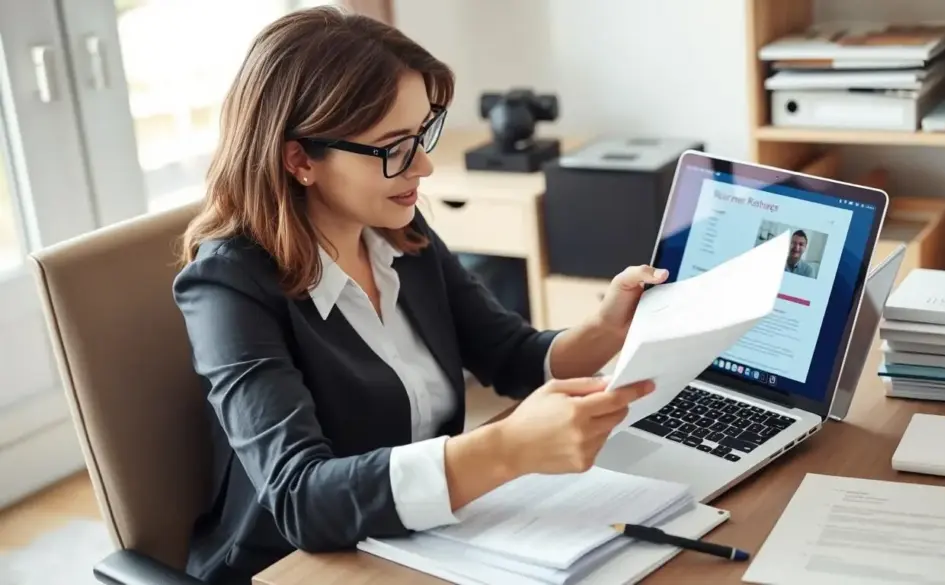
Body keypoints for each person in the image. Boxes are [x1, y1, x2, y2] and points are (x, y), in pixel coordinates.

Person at [171, 7, 667, 584]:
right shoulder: (228, 285)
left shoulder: (400, 233)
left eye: (422, 134)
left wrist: (606, 329)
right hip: (297, 566)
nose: (424, 166)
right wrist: (505, 449)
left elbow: (509, 355)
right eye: (395, 147)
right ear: (301, 159)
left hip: (425, 542)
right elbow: (300, 498)